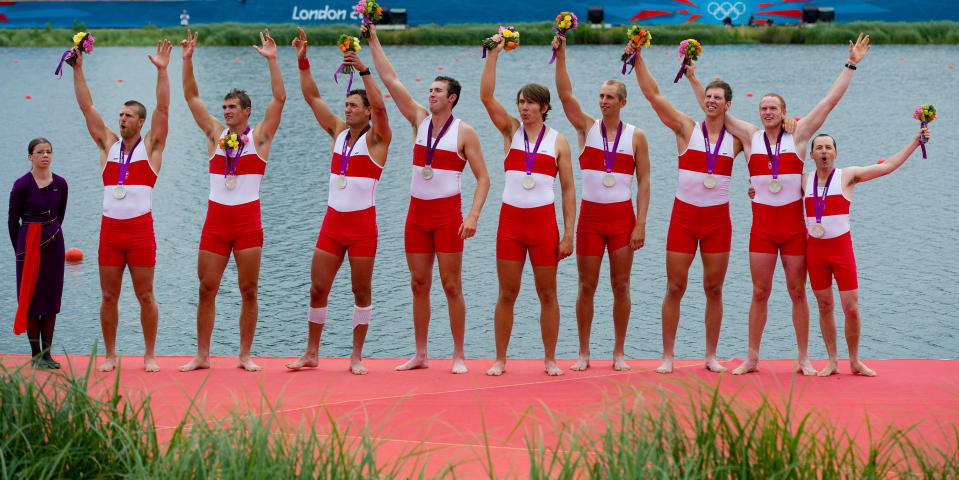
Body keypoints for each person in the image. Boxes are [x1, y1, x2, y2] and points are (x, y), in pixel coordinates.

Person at [687, 33, 870, 375]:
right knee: (759, 292)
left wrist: (851, 64)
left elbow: (829, 102)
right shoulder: (749, 136)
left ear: (784, 112)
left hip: (793, 232)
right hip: (763, 232)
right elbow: (713, 107)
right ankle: (752, 357)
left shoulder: (799, 137)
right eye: (763, 108)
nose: (768, 111)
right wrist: (694, 77)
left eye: (773, 108)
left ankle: (803, 358)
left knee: (798, 292)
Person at [365, 24, 490, 374]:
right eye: (431, 90)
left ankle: (459, 355)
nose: (431, 94)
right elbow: (391, 80)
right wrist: (373, 39)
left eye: (437, 91)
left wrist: (474, 216)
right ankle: (420, 354)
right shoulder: (418, 119)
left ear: (451, 98)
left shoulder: (465, 132)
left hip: (449, 217)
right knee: (419, 284)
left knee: (452, 286)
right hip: (416, 217)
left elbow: (484, 179)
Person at [628, 41, 743, 374]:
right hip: (683, 219)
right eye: (707, 96)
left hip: (718, 223)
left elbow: (770, 144)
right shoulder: (685, 129)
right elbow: (654, 95)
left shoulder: (736, 141)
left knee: (714, 288)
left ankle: (710, 356)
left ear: (727, 105)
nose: (710, 101)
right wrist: (638, 59)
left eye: (717, 98)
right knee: (675, 287)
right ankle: (668, 357)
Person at [284, 28, 391, 375]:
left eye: (353, 106)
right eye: (346, 104)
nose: (347, 109)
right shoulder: (336, 132)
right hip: (332, 224)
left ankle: (356, 356)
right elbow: (313, 98)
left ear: (367, 113)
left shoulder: (378, 140)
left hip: (362, 227)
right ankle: (311, 353)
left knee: (361, 291)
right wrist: (303, 61)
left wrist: (363, 70)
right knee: (318, 289)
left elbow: (380, 104)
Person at [178, 29, 285, 372]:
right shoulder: (214, 134)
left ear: (246, 111)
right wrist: (187, 60)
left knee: (249, 290)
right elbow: (192, 97)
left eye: (232, 107)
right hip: (216, 221)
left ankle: (244, 356)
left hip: (247, 221)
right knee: (207, 288)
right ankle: (202, 356)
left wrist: (273, 61)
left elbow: (279, 100)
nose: (225, 112)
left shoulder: (261, 138)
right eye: (224, 107)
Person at [70, 40, 171, 372]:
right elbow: (87, 109)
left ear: (141, 122)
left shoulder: (152, 148)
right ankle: (111, 355)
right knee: (109, 297)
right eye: (120, 115)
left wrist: (162, 71)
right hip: (110, 232)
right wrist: (78, 69)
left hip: (141, 232)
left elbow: (163, 110)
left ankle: (149, 355)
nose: (122, 119)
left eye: (128, 115)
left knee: (146, 296)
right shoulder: (108, 145)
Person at [552, 35, 650, 371]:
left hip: (623, 218)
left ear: (623, 102)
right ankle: (583, 352)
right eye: (601, 97)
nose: (604, 102)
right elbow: (565, 96)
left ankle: (619, 352)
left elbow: (645, 181)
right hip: (591, 219)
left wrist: (641, 223)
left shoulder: (636, 136)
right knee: (586, 285)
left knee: (621, 285)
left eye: (610, 97)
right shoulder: (585, 128)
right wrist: (561, 56)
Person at [481, 34, 575, 376]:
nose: (523, 107)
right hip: (510, 224)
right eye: (521, 102)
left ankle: (550, 359)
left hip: (542, 225)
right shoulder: (510, 131)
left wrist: (569, 234)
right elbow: (486, 96)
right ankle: (500, 359)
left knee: (547, 293)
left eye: (530, 103)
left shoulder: (558, 141)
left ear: (544, 107)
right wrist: (494, 53)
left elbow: (567, 190)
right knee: (506, 293)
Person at [804, 128, 927, 377]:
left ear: (836, 153)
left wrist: (915, 142)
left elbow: (888, 166)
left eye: (828, 147)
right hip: (815, 252)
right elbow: (774, 190)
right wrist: (754, 191)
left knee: (851, 308)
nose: (824, 151)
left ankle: (854, 361)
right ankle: (832, 361)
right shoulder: (803, 180)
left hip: (841, 250)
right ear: (812, 154)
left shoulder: (848, 176)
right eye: (819, 148)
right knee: (825, 306)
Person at [9, 138, 68, 369]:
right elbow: (13, 221)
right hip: (28, 244)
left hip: (54, 244)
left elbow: (60, 215)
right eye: (40, 152)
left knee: (51, 301)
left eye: (48, 152)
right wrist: (21, 250)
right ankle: (35, 356)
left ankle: (47, 355)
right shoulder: (21, 185)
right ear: (30, 157)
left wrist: (50, 233)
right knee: (32, 301)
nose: (45, 156)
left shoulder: (61, 184)